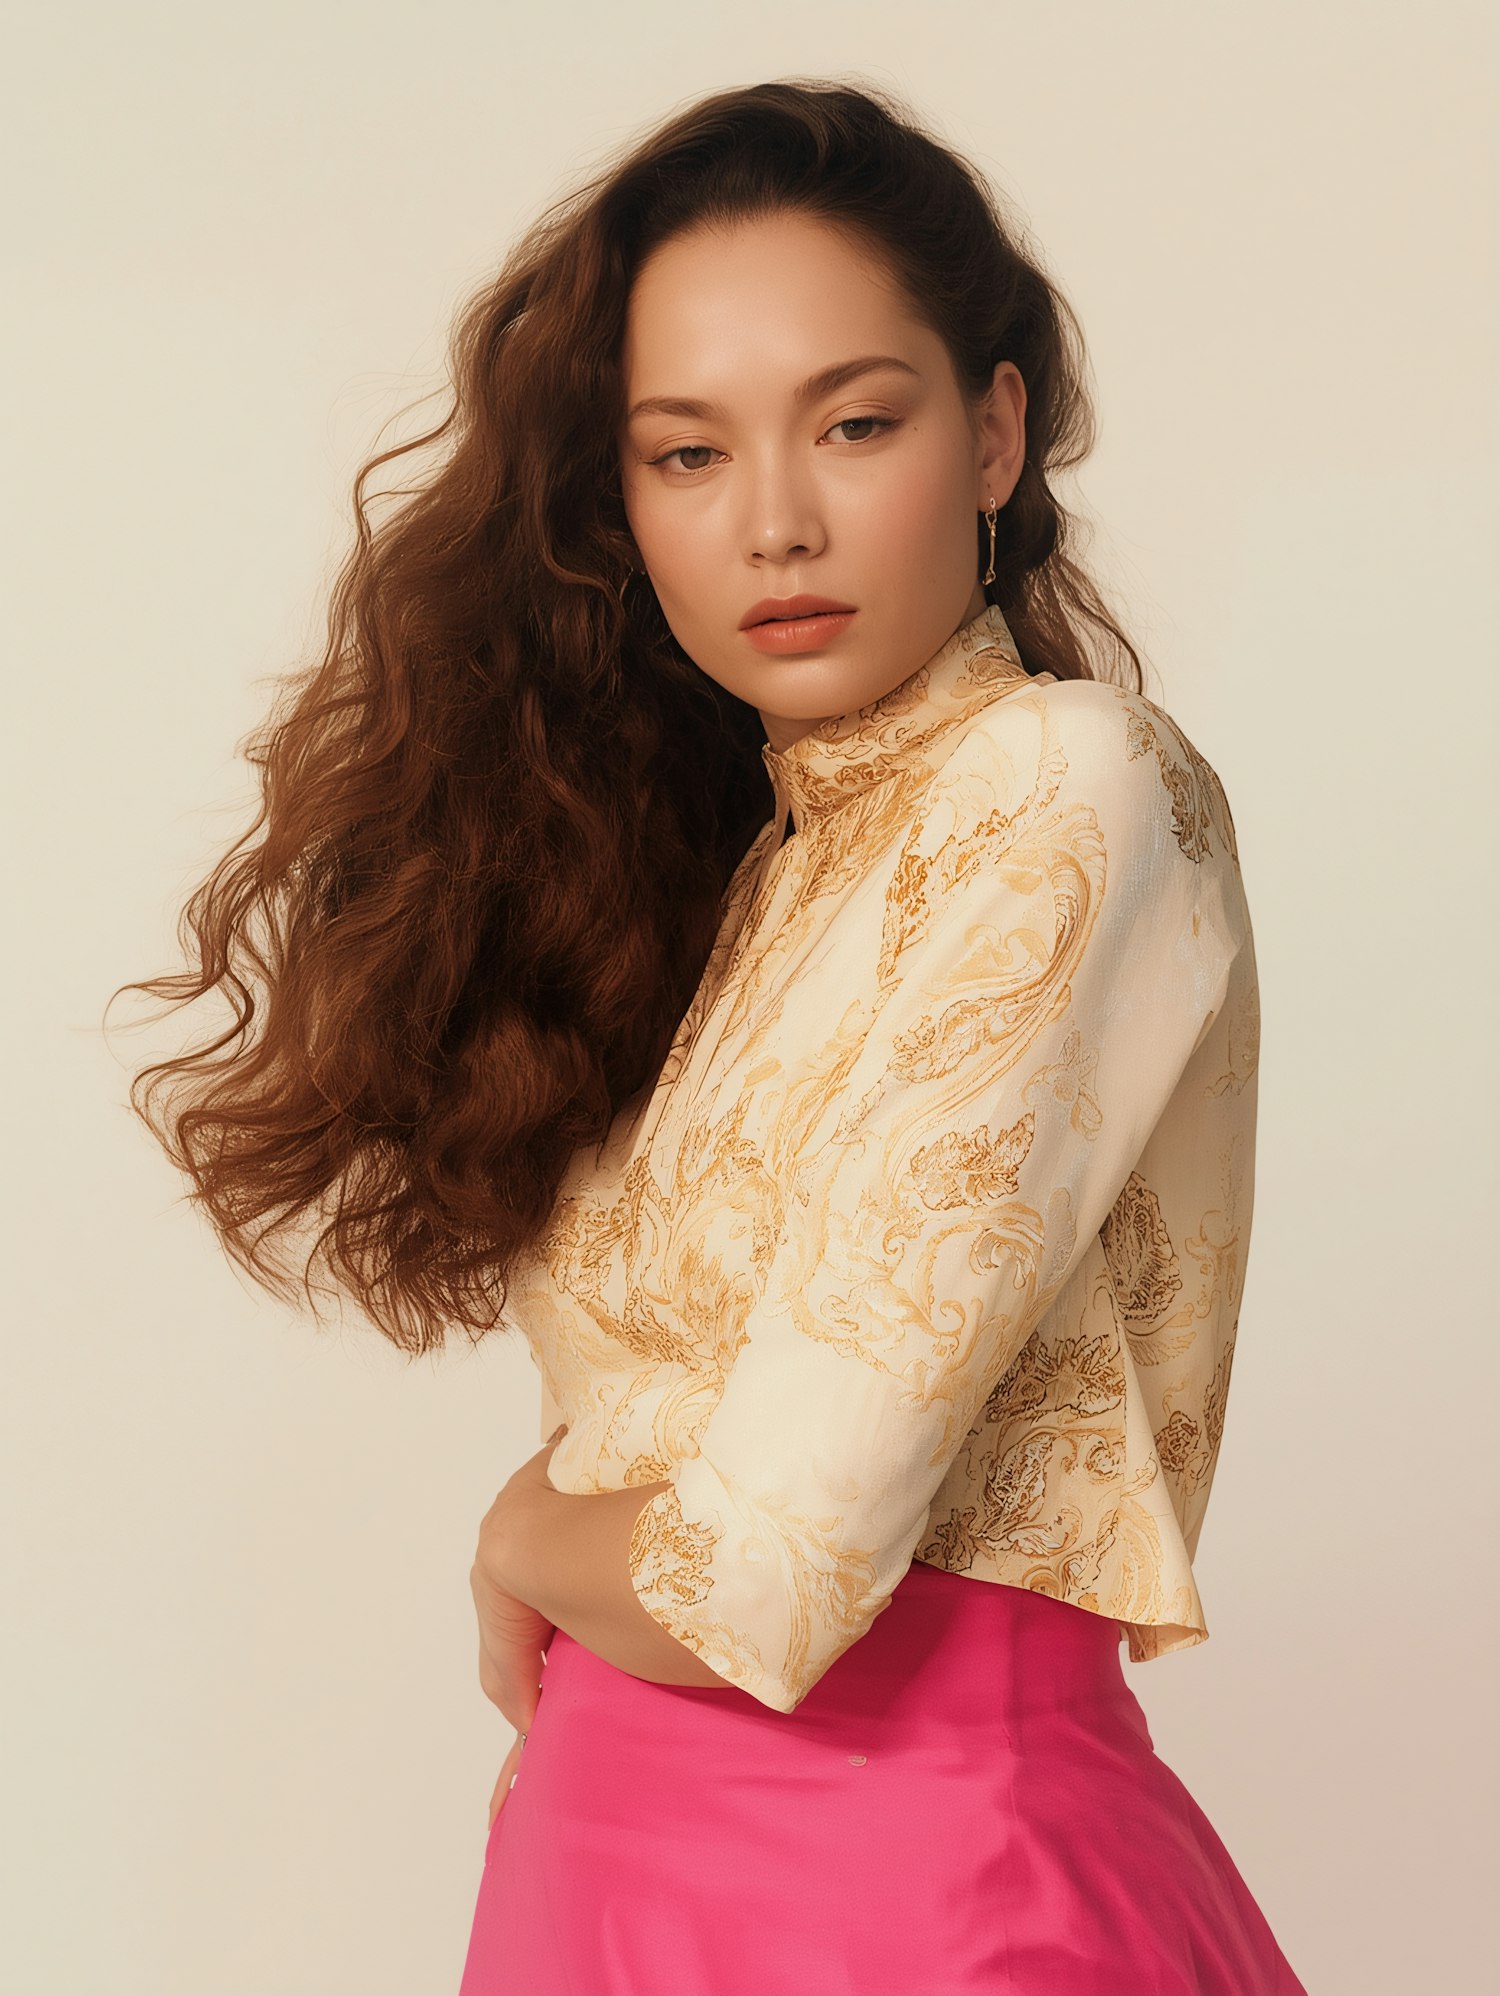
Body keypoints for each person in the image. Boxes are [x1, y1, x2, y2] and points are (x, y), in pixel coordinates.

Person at [118, 76, 1307, 1996]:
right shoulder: (738, 875)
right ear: (621, 508)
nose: (775, 522)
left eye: (856, 424)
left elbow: (761, 1576)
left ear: (996, 433)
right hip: (596, 1868)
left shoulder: (1066, 784)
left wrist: (521, 1538)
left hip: (921, 1896)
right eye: (686, 454)